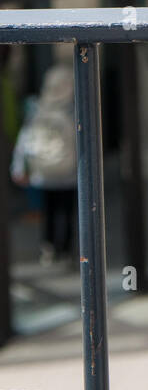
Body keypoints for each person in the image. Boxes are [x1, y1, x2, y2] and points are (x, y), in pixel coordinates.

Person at [10, 63, 78, 265]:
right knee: (67, 211)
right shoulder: (75, 108)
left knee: (49, 210)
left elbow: (25, 139)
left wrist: (18, 167)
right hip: (68, 172)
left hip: (45, 172)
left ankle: (49, 247)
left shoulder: (38, 106)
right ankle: (65, 249)